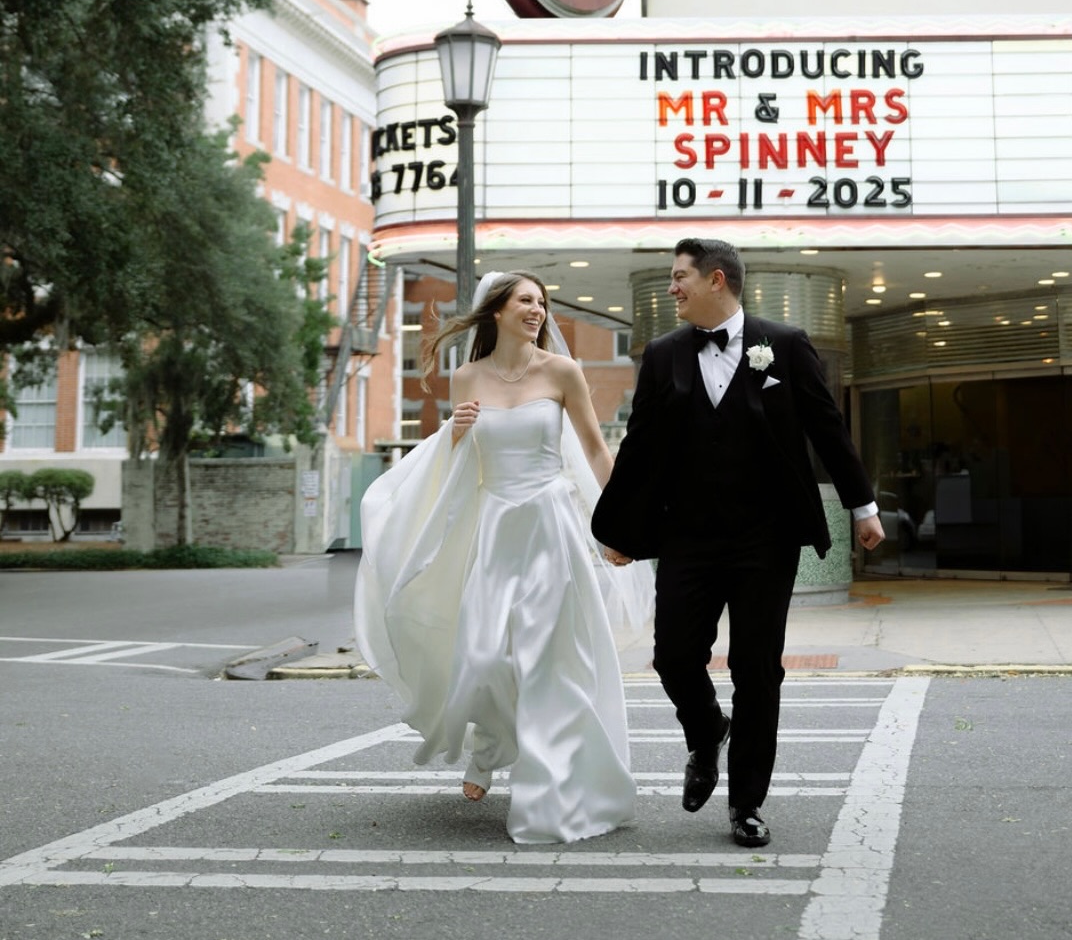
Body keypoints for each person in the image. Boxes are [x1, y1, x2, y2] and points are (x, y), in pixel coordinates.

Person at [592, 237, 885, 850]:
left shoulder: (783, 344)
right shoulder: (663, 354)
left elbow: (827, 429)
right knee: (673, 656)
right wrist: (617, 531)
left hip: (765, 540)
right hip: (687, 540)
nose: (672, 288)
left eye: (679, 278)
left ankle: (746, 805)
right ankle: (706, 733)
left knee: (758, 672)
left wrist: (863, 506)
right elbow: (641, 446)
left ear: (716, 280)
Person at [354, 270, 653, 846]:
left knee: (549, 662)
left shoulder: (562, 371)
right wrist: (456, 432)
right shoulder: (467, 376)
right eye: (526, 301)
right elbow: (458, 466)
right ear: (497, 310)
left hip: (549, 528)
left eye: (542, 302)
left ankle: (553, 792)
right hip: (493, 531)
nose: (538, 310)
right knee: (485, 655)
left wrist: (620, 524)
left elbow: (592, 447)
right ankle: (490, 746)